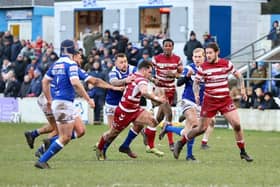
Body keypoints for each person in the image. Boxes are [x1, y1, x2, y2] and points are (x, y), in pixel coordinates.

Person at [24, 51, 123, 155]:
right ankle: (43, 150)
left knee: (57, 128)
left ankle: (34, 135)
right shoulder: (72, 67)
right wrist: (109, 89)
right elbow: (94, 81)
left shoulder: (59, 64)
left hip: (45, 98)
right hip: (57, 100)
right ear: (74, 56)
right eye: (80, 57)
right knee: (69, 131)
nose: (81, 60)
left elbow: (45, 80)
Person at [173, 42, 253, 162]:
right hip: (210, 101)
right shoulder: (203, 67)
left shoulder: (226, 63)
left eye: (210, 53)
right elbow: (195, 83)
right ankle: (181, 142)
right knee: (201, 128)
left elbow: (239, 76)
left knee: (237, 125)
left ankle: (243, 152)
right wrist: (196, 95)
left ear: (217, 52)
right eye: (206, 53)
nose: (208, 55)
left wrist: (242, 89)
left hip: (225, 100)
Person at [33, 39, 95, 169]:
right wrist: (88, 99)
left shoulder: (57, 64)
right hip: (63, 102)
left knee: (81, 130)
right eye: (76, 48)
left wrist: (50, 100)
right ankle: (42, 159)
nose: (78, 51)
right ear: (72, 50)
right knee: (65, 137)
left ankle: (49, 141)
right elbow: (76, 83)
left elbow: (45, 81)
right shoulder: (70, 64)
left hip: (63, 102)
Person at [95, 60, 166, 160]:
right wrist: (157, 99)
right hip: (124, 111)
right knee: (112, 133)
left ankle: (149, 146)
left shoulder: (134, 74)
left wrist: (153, 80)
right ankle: (100, 148)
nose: (150, 74)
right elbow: (144, 92)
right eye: (150, 72)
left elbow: (143, 84)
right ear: (144, 70)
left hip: (135, 109)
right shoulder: (142, 80)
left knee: (152, 121)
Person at [158, 48, 215, 161]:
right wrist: (187, 76)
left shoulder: (209, 69)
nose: (197, 59)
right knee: (195, 125)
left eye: (199, 57)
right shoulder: (189, 68)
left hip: (201, 104)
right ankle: (189, 155)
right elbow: (179, 83)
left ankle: (168, 128)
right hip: (188, 101)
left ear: (204, 57)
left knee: (188, 132)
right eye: (195, 56)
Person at [144, 38, 183, 151]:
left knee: (159, 118)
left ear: (173, 47)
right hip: (160, 90)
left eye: (169, 45)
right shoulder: (156, 59)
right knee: (169, 114)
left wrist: (174, 74)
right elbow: (147, 73)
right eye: (165, 45)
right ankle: (171, 143)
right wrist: (153, 80)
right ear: (162, 47)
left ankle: (146, 131)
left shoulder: (177, 59)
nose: (167, 47)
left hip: (171, 90)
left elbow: (181, 74)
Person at [104, 53, 135, 128]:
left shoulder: (132, 69)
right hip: (112, 102)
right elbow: (113, 82)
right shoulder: (114, 71)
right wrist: (126, 80)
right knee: (112, 128)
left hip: (126, 101)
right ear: (116, 63)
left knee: (137, 122)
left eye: (125, 61)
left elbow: (140, 75)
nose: (124, 64)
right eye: (121, 62)